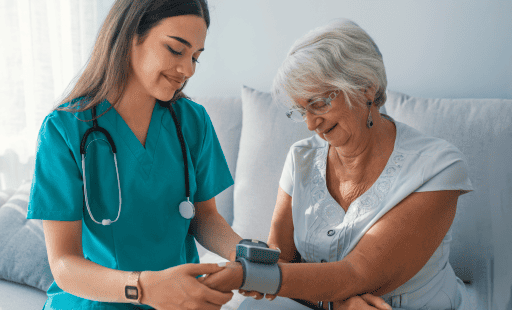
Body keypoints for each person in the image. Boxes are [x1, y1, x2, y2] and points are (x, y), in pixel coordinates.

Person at [202, 19, 474, 310]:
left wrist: (246, 275)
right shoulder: (301, 158)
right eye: (301, 110)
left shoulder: (438, 167)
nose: (310, 123)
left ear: (366, 89)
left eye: (319, 104)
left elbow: (359, 273)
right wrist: (336, 305)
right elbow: (281, 263)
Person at [27, 1, 245, 309]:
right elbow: (63, 262)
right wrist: (144, 288)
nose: (188, 70)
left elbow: (205, 218)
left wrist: (246, 252)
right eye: (175, 50)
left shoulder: (192, 121)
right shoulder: (64, 129)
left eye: (196, 57)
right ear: (130, 35)